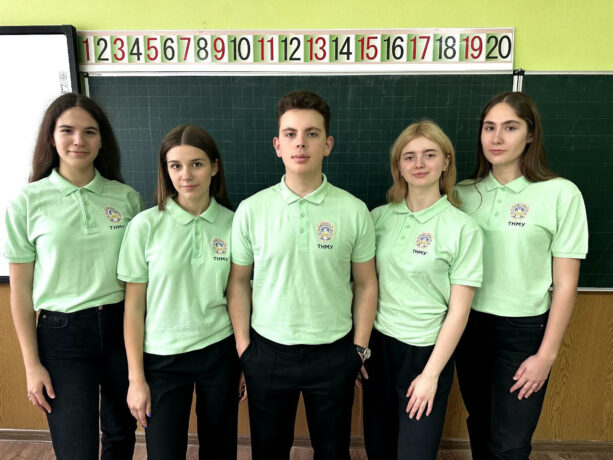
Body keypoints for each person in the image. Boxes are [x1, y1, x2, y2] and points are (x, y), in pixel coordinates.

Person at [228, 90, 378, 460]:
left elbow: (366, 283)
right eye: (291, 134)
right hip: (267, 352)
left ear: (327, 144)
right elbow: (238, 282)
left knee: (333, 451)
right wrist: (245, 347)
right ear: (277, 145)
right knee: (268, 451)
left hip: (334, 352)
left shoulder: (354, 210)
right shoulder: (251, 210)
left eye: (312, 134)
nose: (301, 143)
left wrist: (359, 348)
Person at [4, 93, 142, 459]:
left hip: (121, 327)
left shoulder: (126, 198)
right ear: (51, 137)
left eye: (90, 132)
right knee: (75, 446)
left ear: (102, 140)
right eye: (67, 130)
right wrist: (32, 366)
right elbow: (20, 290)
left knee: (121, 433)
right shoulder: (27, 202)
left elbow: (138, 278)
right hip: (62, 335)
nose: (79, 140)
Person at [454, 92, 589, 459]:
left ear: (530, 135)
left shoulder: (560, 194)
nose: (496, 138)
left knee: (510, 443)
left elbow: (565, 285)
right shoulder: (461, 194)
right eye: (489, 128)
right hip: (469, 326)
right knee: (480, 424)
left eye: (510, 128)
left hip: (523, 331)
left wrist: (546, 355)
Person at [118, 125, 240, 460]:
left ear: (214, 167)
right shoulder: (145, 225)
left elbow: (238, 295)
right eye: (176, 165)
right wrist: (136, 379)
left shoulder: (234, 223)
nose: (186, 175)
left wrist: (242, 362)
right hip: (162, 358)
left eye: (196, 164)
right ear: (166, 170)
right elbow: (133, 308)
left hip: (219, 352)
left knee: (220, 450)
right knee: (164, 452)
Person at [362, 121, 483, 460]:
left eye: (429, 155)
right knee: (378, 448)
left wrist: (431, 375)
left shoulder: (463, 228)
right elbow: (363, 287)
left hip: (426, 352)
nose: (419, 164)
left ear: (446, 162)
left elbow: (459, 310)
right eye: (409, 157)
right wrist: (361, 348)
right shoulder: (378, 218)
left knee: (415, 452)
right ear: (398, 166)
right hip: (379, 348)